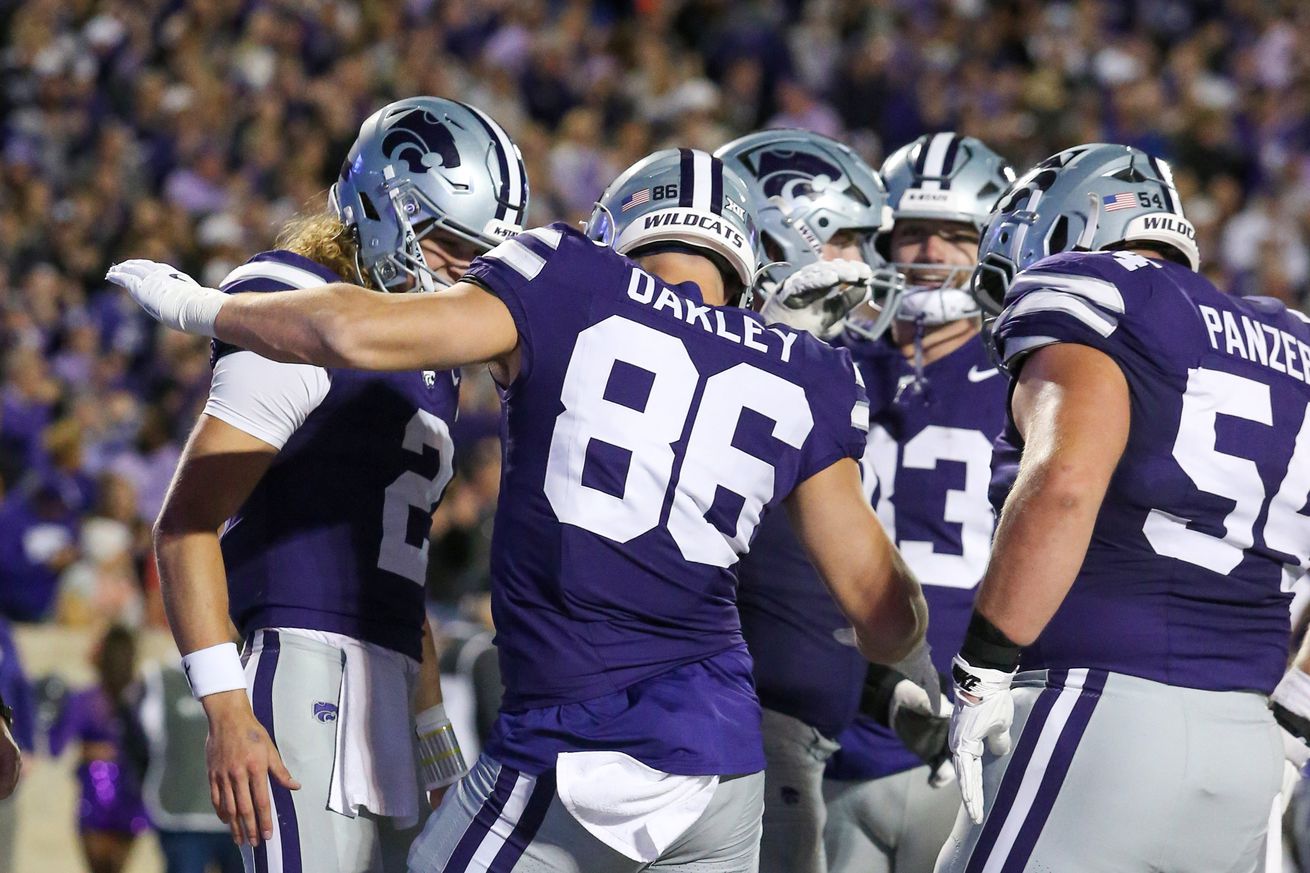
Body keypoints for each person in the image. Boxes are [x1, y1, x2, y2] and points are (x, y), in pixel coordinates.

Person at [109, 146, 933, 873]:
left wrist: (203, 306)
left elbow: (350, 333)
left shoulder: (568, 276)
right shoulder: (811, 368)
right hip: (724, 761)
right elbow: (881, 610)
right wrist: (933, 674)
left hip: (575, 741)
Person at [146, 96, 528, 873]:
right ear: (388, 207)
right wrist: (224, 705)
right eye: (455, 244)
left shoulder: (433, 358)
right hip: (301, 664)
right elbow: (185, 527)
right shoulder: (287, 301)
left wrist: (431, 729)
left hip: (394, 675)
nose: (468, 272)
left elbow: (399, 563)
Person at [941, 143, 1288, 871]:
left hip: (1099, 708)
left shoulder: (1096, 290)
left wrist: (982, 667)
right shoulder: (1293, 340)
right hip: (1246, 744)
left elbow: (1065, 479)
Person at [821, 133, 1014, 873]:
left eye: (957, 235)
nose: (931, 250)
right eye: (912, 232)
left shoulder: (1026, 374)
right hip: (834, 723)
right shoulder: (832, 363)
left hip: (970, 727)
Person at [715, 129, 905, 873]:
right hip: (747, 724)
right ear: (783, 235)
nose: (868, 266)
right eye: (848, 240)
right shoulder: (722, 360)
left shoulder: (826, 366)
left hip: (800, 730)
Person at [49, 624, 151, 873]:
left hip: (98, 792)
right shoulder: (142, 697)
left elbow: (56, 744)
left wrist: (89, 751)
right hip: (131, 791)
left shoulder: (84, 700)